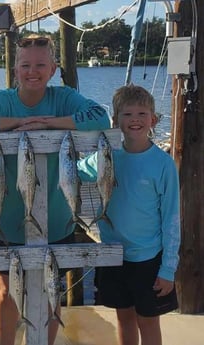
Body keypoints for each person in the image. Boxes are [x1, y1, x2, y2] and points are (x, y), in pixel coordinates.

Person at [0, 34, 110, 345]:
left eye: (40, 65)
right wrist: (17, 124)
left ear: (53, 68)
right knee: (5, 289)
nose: (33, 71)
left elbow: (102, 117)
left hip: (56, 218)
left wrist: (51, 123)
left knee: (49, 288)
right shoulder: (1, 100)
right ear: (15, 69)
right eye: (25, 65)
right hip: (3, 218)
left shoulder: (64, 97)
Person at [78, 84, 180, 345]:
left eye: (141, 114)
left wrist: (168, 268)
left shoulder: (163, 164)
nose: (135, 120)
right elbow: (74, 170)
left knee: (148, 321)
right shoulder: (106, 156)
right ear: (115, 120)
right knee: (124, 319)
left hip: (149, 258)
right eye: (127, 114)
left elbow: (171, 219)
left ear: (153, 119)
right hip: (113, 254)